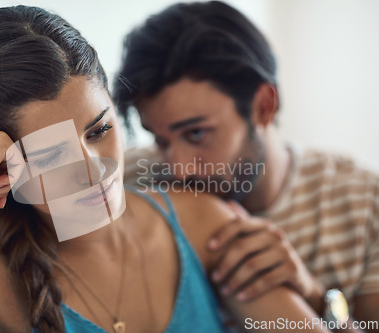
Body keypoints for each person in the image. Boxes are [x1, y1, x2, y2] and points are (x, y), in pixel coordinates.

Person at [0, 5, 337, 333]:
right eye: (52, 155)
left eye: (98, 131)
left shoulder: (201, 222)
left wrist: (319, 297)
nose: (95, 170)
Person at [114, 0, 379, 331]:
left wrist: (314, 296)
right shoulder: (130, 185)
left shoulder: (364, 204)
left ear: (264, 107)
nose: (178, 169)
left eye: (196, 133)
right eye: (161, 140)